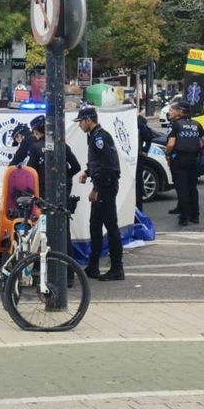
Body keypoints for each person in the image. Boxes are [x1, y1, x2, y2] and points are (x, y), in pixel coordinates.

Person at [75, 107, 123, 281]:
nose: (79, 125)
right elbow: (98, 162)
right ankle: (93, 266)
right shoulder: (94, 136)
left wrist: (96, 189)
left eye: (80, 121)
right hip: (103, 184)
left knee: (111, 226)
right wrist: (87, 172)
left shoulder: (100, 137)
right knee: (95, 225)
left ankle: (117, 268)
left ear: (89, 120)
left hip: (105, 186)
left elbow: (107, 166)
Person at [165, 102, 204, 227]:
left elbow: (171, 144)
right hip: (193, 160)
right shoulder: (196, 124)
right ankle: (195, 216)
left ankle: (184, 218)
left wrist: (167, 154)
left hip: (179, 160)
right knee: (192, 188)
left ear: (181, 112)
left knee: (182, 188)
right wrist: (201, 152)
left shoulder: (176, 125)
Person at [136, 106, 155, 211]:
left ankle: (138, 211)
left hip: (136, 158)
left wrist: (144, 151)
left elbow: (148, 136)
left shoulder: (139, 123)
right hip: (129, 159)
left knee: (138, 186)